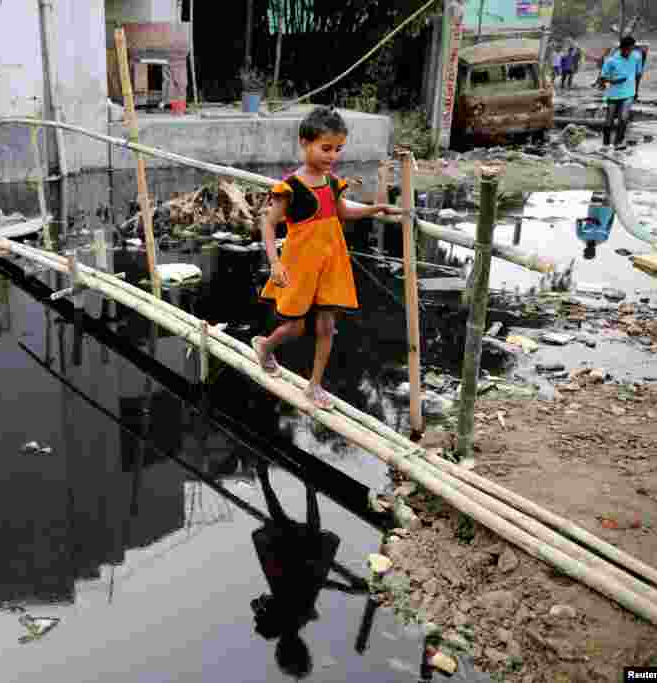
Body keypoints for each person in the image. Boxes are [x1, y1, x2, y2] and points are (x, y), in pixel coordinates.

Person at [252, 106, 401, 411]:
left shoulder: (332, 182)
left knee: (326, 327)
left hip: (331, 263)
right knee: (295, 327)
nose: (332, 156)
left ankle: (315, 385)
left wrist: (376, 209)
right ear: (304, 143)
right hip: (300, 264)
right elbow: (268, 223)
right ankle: (265, 346)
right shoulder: (290, 187)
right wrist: (275, 262)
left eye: (338, 149)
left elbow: (343, 211)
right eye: (325, 148)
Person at [250, 460, 340, 679]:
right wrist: (262, 605)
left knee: (298, 529)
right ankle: (275, 480)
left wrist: (262, 604)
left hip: (292, 574)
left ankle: (301, 486)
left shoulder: (283, 625)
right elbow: (259, 604)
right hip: (292, 574)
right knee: (297, 530)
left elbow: (260, 604)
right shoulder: (278, 627)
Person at [598, 36, 644, 151]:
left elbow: (638, 75)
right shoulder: (611, 60)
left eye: (631, 49)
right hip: (613, 94)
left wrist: (636, 91)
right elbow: (602, 78)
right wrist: (613, 81)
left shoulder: (637, 57)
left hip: (629, 93)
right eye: (627, 50)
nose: (629, 52)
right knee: (609, 120)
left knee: (623, 118)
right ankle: (605, 144)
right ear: (621, 48)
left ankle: (618, 143)